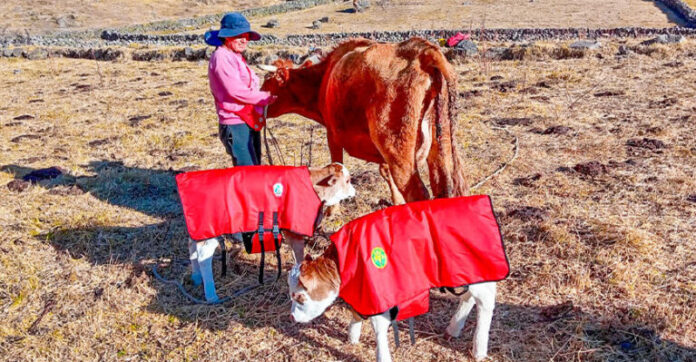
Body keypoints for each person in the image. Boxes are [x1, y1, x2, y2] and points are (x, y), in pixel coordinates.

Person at [205, 12, 276, 166]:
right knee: (247, 170)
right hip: (235, 122)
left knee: (253, 165)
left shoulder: (234, 56)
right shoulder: (222, 57)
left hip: (245, 118)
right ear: (226, 37)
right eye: (238, 36)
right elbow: (236, 91)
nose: (244, 40)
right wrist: (266, 97)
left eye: (246, 36)